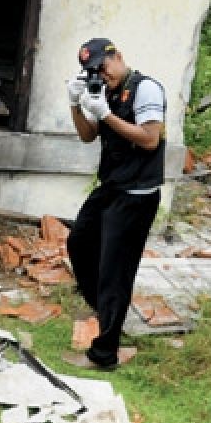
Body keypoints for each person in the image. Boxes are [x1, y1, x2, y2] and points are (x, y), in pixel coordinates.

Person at [64, 38, 166, 370]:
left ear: (118, 57)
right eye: (93, 70)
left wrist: (106, 115)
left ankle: (104, 354)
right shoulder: (103, 90)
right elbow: (87, 135)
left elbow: (150, 140)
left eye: (103, 67)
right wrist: (76, 104)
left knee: (115, 273)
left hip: (137, 194)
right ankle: (105, 310)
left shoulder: (146, 89)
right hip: (112, 185)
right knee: (79, 241)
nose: (100, 74)